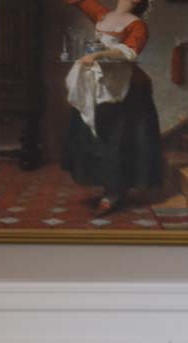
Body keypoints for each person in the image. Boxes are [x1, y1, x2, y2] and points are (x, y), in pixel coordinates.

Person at [62, 0, 163, 215]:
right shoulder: (103, 14)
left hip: (125, 88)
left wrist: (99, 55)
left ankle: (114, 192)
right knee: (96, 137)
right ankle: (109, 186)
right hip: (98, 83)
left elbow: (130, 52)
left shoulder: (137, 25)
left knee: (119, 140)